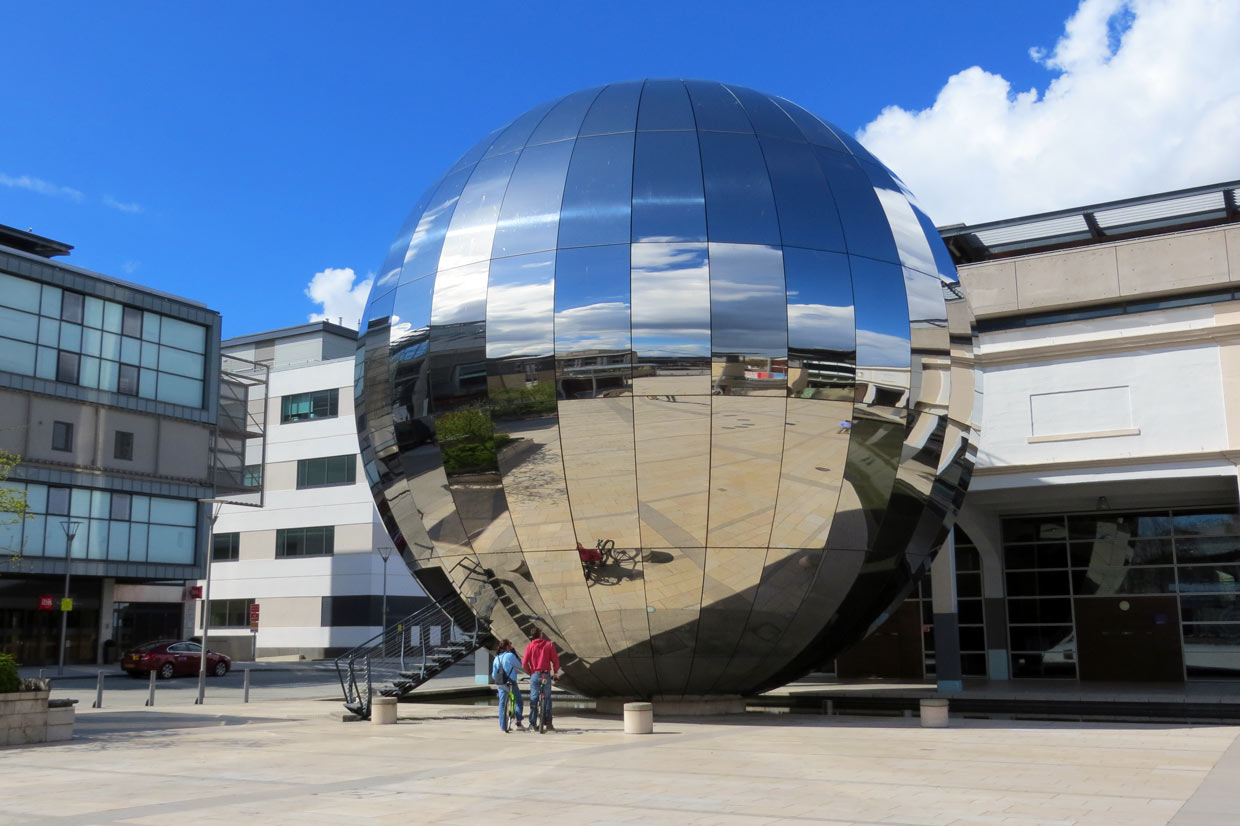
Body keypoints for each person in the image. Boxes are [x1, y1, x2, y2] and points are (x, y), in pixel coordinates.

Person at [521, 628, 560, 732]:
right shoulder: (549, 645)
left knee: (533, 698)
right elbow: (555, 660)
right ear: (540, 635)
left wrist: (530, 672)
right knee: (547, 698)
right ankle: (549, 724)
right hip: (545, 675)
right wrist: (556, 672)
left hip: (535, 674)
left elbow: (524, 663)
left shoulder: (530, 646)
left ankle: (532, 724)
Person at [490, 639, 524, 732]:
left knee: (502, 704)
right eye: (510, 645)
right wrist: (514, 653)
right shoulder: (510, 655)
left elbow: (493, 675)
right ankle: (518, 722)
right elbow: (520, 665)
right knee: (519, 701)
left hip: (500, 683)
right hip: (510, 682)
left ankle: (503, 726)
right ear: (507, 647)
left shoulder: (496, 658)